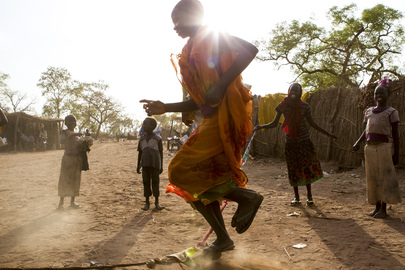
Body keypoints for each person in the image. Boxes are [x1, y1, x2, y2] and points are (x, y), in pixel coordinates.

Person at [140, 0, 263, 253]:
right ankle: (223, 239)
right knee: (207, 177)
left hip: (225, 117)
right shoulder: (188, 51)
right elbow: (199, 100)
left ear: (194, 16)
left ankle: (247, 198)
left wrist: (221, 85)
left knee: (180, 171)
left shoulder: (211, 35)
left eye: (178, 20)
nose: (175, 26)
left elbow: (250, 50)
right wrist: (166, 107)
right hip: (210, 119)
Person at [255, 83, 337, 207]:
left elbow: (313, 123)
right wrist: (260, 127)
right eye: (292, 90)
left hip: (304, 142)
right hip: (291, 143)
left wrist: (328, 134)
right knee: (293, 170)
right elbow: (274, 123)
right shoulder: (283, 106)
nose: (294, 92)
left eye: (296, 91)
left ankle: (309, 197)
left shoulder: (305, 107)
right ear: (289, 91)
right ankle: (297, 197)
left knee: (307, 169)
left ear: (300, 92)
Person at [353, 78, 401, 218]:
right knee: (373, 177)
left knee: (384, 178)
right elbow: (366, 131)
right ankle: (376, 207)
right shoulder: (368, 111)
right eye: (376, 93)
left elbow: (396, 136)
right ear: (373, 96)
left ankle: (384, 209)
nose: (378, 95)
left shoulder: (392, 112)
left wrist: (396, 154)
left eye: (382, 93)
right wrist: (358, 142)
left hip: (384, 148)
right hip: (370, 148)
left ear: (388, 94)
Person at [57, 115, 84, 211]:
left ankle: (72, 203)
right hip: (68, 159)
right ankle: (61, 204)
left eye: (74, 121)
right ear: (66, 123)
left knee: (75, 180)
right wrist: (73, 135)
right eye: (70, 121)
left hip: (76, 159)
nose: (73, 123)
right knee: (64, 180)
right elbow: (61, 141)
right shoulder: (64, 132)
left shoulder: (77, 134)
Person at [137, 117, 165, 211]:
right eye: (143, 124)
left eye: (145, 124)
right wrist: (138, 165)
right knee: (146, 182)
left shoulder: (158, 139)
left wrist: (161, 166)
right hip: (145, 164)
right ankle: (147, 202)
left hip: (155, 164)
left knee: (155, 182)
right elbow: (140, 153)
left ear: (152, 126)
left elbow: (161, 153)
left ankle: (157, 202)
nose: (143, 126)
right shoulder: (142, 139)